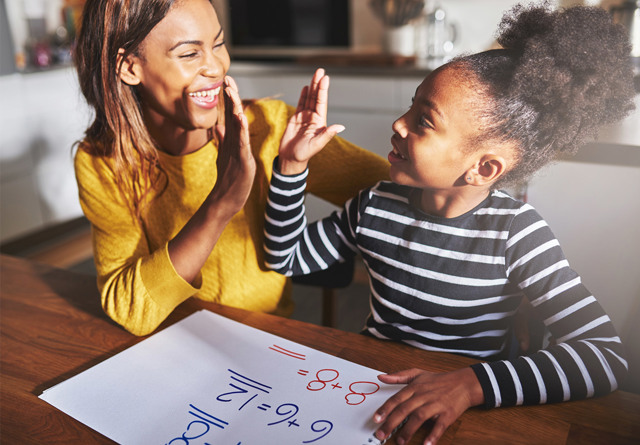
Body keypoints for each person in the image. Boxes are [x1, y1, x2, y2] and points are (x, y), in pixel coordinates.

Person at [263, 3, 635, 444]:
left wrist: (469, 384)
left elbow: (605, 357)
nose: (398, 124)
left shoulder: (517, 234)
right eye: (411, 105)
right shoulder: (374, 206)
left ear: (482, 169)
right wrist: (290, 167)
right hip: (371, 389)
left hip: (467, 406)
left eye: (424, 120)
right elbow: (286, 258)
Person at [72, 0, 390, 336]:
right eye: (189, 54)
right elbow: (130, 309)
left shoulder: (271, 128)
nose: (216, 66)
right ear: (129, 67)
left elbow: (408, 194)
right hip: (168, 340)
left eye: (219, 44)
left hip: (267, 338)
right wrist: (220, 205)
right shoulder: (103, 162)